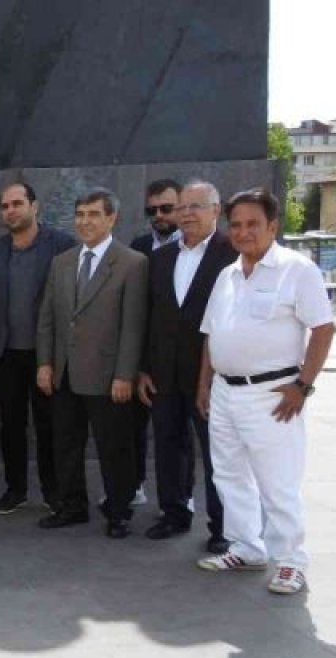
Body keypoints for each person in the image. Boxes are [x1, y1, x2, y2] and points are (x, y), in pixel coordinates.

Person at [196, 188, 335, 595]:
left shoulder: (297, 269)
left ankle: (290, 560)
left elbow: (323, 329)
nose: (243, 232)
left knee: (278, 481)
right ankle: (246, 546)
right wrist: (204, 383)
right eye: (236, 225)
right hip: (224, 393)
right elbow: (210, 334)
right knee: (228, 474)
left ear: (273, 226)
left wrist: (302, 386)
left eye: (253, 224)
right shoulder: (227, 274)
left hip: (273, 395)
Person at [36, 188, 147, 538]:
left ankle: (118, 511)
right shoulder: (62, 262)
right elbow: (48, 319)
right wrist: (45, 363)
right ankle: (72, 506)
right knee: (65, 444)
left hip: (108, 376)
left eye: (94, 214)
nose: (85, 221)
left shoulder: (131, 263)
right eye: (80, 214)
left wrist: (125, 374)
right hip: (65, 372)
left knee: (113, 447)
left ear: (112, 218)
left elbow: (133, 325)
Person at [138, 181, 236, 551]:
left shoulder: (231, 254)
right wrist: (144, 368)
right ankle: (174, 513)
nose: (187, 213)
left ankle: (222, 527)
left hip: (211, 375)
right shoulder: (160, 259)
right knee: (167, 445)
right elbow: (151, 318)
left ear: (217, 210)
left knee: (217, 455)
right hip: (163, 373)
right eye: (182, 207)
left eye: (197, 206)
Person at [0, 182, 74, 514]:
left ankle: (54, 491)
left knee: (50, 425)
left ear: (35, 206)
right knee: (11, 425)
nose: (11, 211)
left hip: (46, 354)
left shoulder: (62, 246)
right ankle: (15, 489)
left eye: (17, 203)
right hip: (7, 355)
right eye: (5, 206)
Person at [127, 179, 187, 506]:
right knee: (135, 428)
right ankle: (135, 484)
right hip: (142, 354)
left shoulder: (194, 248)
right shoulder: (138, 246)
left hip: (182, 357)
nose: (159, 215)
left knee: (178, 435)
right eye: (152, 210)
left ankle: (184, 493)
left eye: (166, 208)